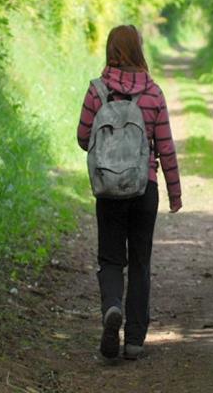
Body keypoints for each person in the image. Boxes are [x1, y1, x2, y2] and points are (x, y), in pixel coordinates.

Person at [77, 24, 182, 361]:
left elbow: (82, 137)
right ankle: (135, 340)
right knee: (140, 261)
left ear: (110, 50)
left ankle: (111, 307)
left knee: (110, 257)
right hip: (144, 187)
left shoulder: (96, 91)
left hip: (108, 189)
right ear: (139, 50)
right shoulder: (153, 92)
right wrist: (175, 192)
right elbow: (165, 146)